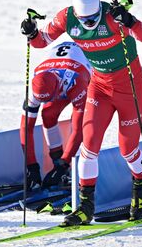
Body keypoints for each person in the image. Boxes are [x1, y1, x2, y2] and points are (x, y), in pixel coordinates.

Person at [20, 0, 142, 225]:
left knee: (128, 150)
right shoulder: (67, 17)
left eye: (94, 18)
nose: (89, 24)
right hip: (100, 87)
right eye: (85, 19)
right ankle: (86, 206)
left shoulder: (113, 17)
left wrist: (131, 21)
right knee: (89, 147)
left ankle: (140, 189)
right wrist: (31, 33)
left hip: (129, 88)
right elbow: (42, 41)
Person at [20, 41, 92, 190]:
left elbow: (79, 130)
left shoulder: (76, 81)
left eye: (51, 98)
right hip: (59, 68)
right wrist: (31, 165)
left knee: (81, 122)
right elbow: (26, 128)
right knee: (47, 114)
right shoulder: (35, 88)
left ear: (58, 88)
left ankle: (71, 167)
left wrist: (63, 165)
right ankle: (56, 161)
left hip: (85, 73)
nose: (49, 101)